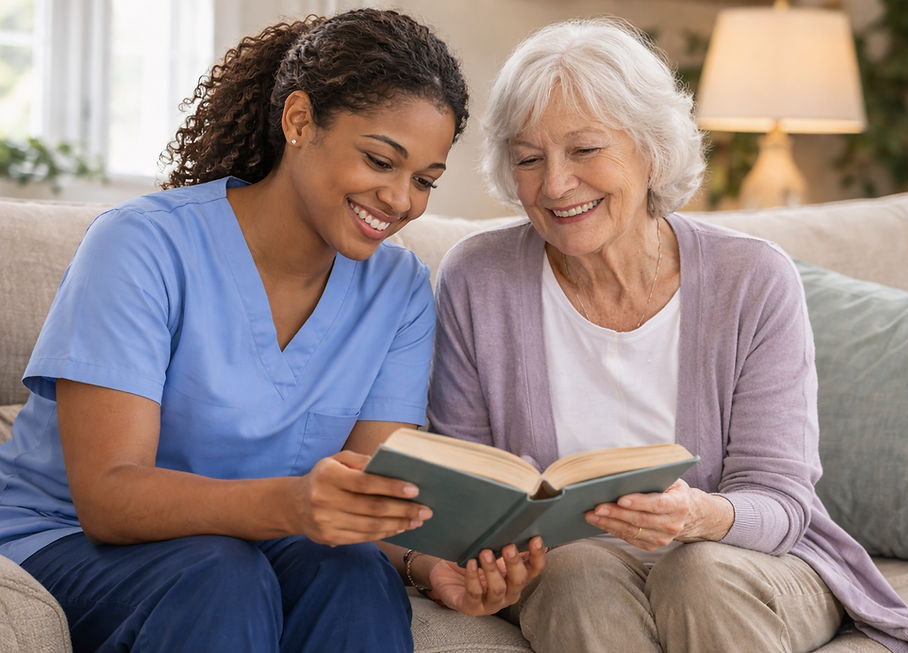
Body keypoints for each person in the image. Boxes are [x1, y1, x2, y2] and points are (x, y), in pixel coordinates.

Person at [0, 9, 544, 653]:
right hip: (69, 537)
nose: (401, 201)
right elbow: (108, 498)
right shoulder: (140, 245)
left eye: (425, 181)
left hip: (260, 544)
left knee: (351, 573)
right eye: (380, 160)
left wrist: (427, 565)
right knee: (221, 575)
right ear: (299, 121)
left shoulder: (399, 291)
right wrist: (292, 505)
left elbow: (366, 503)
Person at [426, 17, 908, 653]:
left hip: (745, 560)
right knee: (575, 571)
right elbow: (471, 489)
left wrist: (698, 516)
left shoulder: (752, 279)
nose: (554, 185)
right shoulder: (477, 279)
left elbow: (782, 501)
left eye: (585, 150)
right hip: (569, 570)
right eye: (529, 159)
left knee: (697, 573)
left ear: (653, 149)